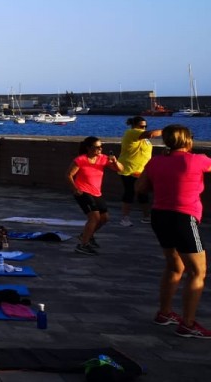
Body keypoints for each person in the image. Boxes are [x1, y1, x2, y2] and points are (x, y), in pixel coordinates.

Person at [135, 124, 211, 338]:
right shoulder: (197, 160)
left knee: (174, 266)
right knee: (197, 272)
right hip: (184, 218)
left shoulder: (155, 162)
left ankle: (164, 313)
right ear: (187, 140)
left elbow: (139, 188)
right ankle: (188, 323)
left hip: (160, 216)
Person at [68, 136, 122, 255]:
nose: (100, 149)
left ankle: (86, 235)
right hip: (82, 191)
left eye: (101, 147)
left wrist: (115, 161)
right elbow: (69, 175)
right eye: (97, 147)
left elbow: (121, 170)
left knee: (104, 218)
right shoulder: (80, 160)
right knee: (94, 217)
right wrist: (75, 189)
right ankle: (83, 245)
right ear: (88, 148)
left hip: (96, 192)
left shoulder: (103, 158)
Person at [118, 116, 163, 227]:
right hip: (129, 169)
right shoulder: (131, 132)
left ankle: (147, 217)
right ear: (134, 125)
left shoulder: (142, 137)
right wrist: (166, 131)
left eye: (145, 126)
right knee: (130, 192)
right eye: (141, 126)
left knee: (143, 193)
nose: (143, 128)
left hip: (142, 170)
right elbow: (150, 134)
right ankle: (125, 218)